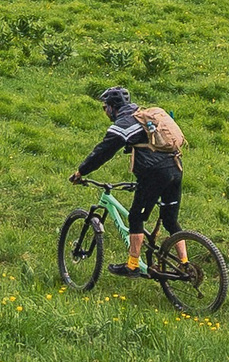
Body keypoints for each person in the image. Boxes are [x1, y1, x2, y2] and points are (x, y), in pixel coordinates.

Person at [70, 84, 184, 276]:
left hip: (154, 173)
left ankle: (132, 265)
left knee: (136, 217)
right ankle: (185, 264)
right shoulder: (143, 116)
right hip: (176, 168)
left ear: (113, 106)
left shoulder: (124, 123)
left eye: (105, 106)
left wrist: (81, 171)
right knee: (171, 221)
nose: (104, 111)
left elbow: (103, 152)